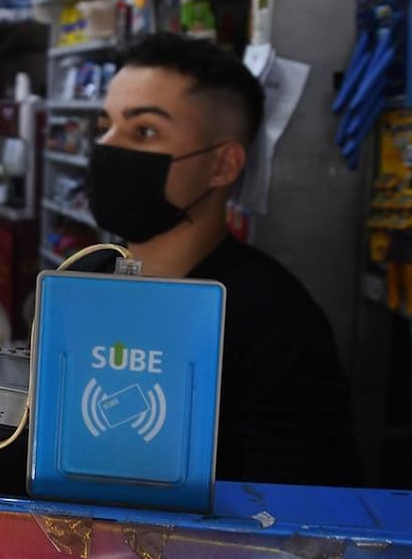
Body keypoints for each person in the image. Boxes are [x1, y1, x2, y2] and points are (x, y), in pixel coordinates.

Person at [78, 32, 360, 485]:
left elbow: (296, 517)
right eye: (104, 126)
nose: (108, 149)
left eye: (144, 131)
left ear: (223, 166)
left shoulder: (274, 321)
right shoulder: (85, 276)